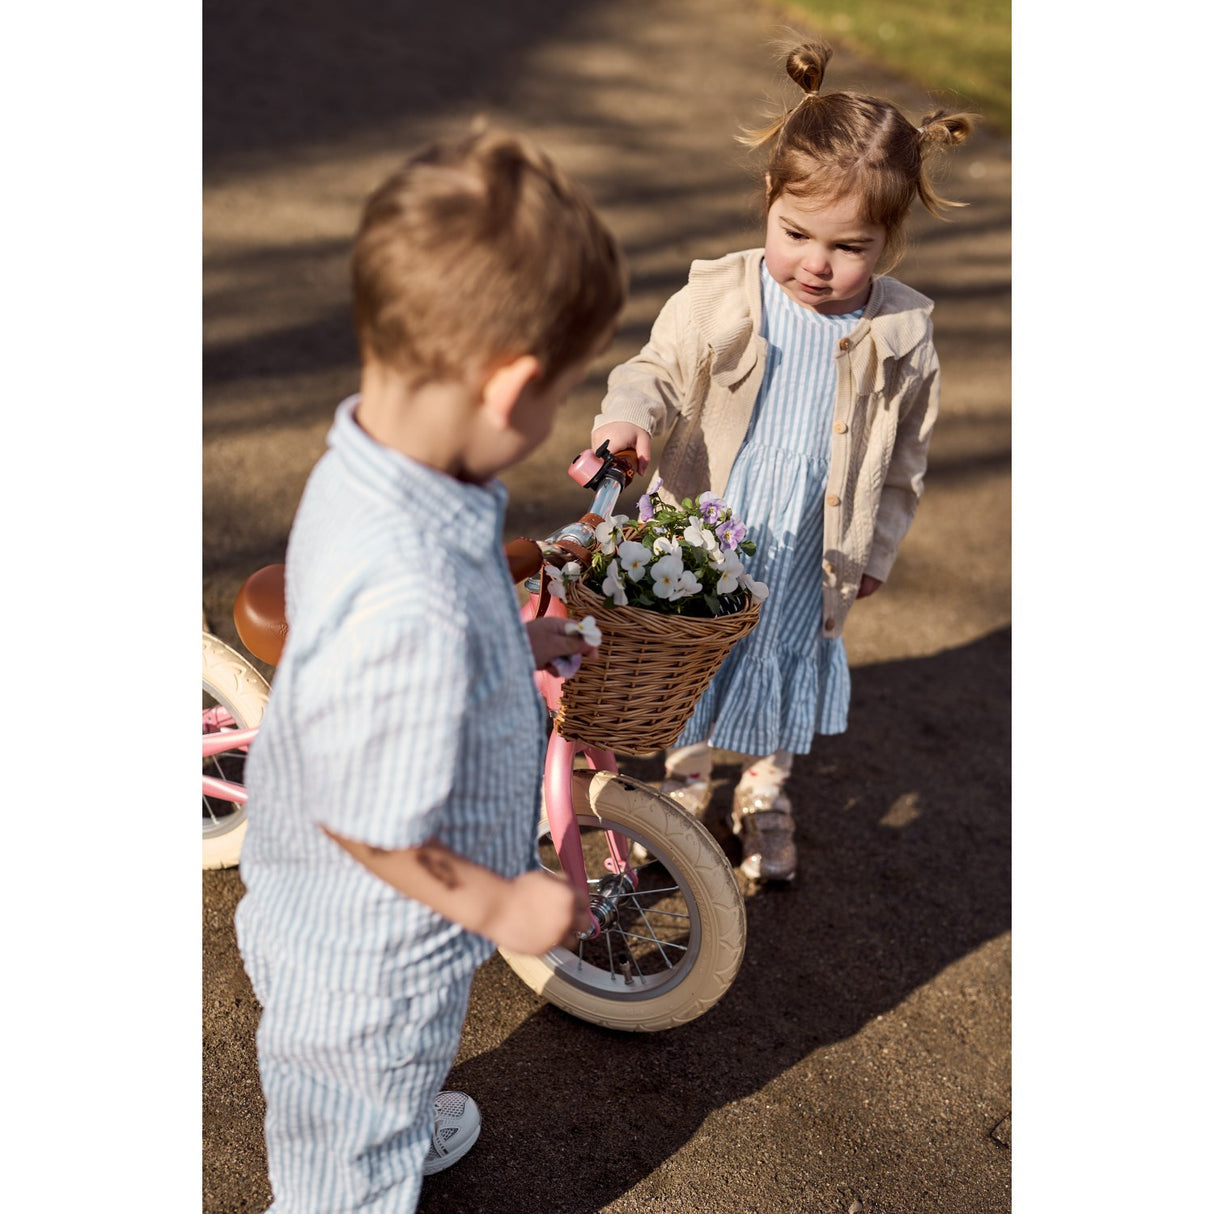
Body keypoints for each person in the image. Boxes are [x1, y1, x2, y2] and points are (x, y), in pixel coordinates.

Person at [234, 125, 626, 1212]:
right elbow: (369, 822)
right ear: (511, 389)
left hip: (352, 928)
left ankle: (393, 1114)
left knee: (380, 1085)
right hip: (370, 959)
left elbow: (425, 642)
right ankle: (364, 1158)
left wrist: (508, 646)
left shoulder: (378, 454)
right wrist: (503, 905)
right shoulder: (409, 597)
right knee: (345, 1152)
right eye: (557, 394)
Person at [591, 39, 973, 884]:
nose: (815, 263)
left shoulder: (900, 336)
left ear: (889, 239)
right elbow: (655, 371)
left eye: (850, 247)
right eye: (795, 233)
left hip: (809, 543)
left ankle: (765, 788)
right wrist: (626, 419)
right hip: (710, 534)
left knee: (786, 652)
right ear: (769, 196)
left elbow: (905, 458)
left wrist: (878, 550)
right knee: (691, 655)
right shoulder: (722, 296)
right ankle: (685, 784)